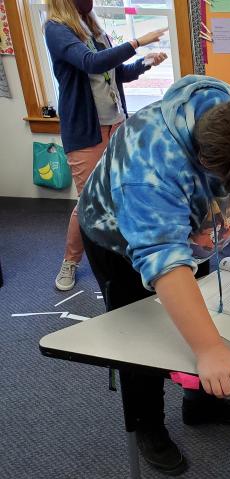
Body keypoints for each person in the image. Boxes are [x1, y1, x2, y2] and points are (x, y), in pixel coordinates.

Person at [78, 75, 230, 475]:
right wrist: (209, 350)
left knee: (201, 312)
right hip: (116, 238)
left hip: (189, 230)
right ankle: (147, 425)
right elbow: (165, 262)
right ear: (207, 165)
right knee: (141, 336)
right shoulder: (150, 166)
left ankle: (201, 401)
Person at [45, 0, 169, 291]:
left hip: (116, 123)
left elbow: (115, 72)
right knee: (89, 201)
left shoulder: (93, 26)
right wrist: (138, 41)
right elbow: (91, 63)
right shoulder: (56, 29)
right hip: (87, 131)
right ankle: (71, 261)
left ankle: (124, 256)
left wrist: (145, 63)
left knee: (121, 192)